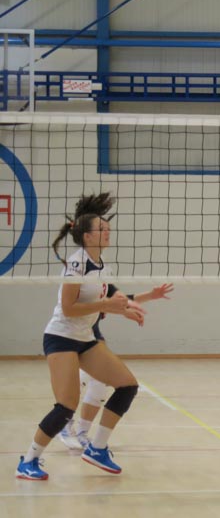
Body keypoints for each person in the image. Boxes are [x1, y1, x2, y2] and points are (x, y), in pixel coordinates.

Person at [16, 193, 148, 480]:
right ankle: (29, 460)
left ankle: (97, 448)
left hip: (85, 338)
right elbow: (69, 308)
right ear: (87, 236)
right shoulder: (76, 265)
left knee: (127, 385)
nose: (107, 232)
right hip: (61, 338)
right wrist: (108, 305)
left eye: (107, 228)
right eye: (101, 229)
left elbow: (104, 301)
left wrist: (124, 309)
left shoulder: (101, 265)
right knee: (66, 406)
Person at [58, 284, 174, 452]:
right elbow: (105, 303)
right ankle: (65, 422)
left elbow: (120, 300)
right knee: (80, 379)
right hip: (73, 335)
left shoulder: (101, 283)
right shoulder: (81, 281)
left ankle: (82, 432)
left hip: (92, 334)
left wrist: (149, 295)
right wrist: (125, 311)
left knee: (99, 386)